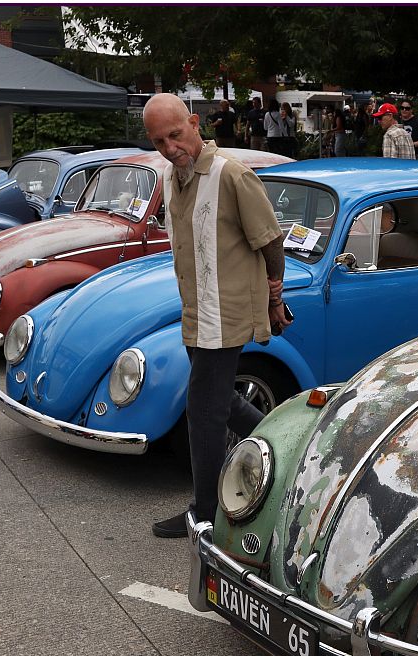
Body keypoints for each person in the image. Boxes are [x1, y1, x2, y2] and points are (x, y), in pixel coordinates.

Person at [141, 93, 290, 539]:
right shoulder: (172, 177)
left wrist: (275, 295)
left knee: (203, 411)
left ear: (194, 123)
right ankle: (290, 445)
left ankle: (203, 513)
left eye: (175, 135)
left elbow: (270, 240)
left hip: (227, 313)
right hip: (196, 310)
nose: (170, 148)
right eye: (159, 141)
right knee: (221, 402)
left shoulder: (231, 174)